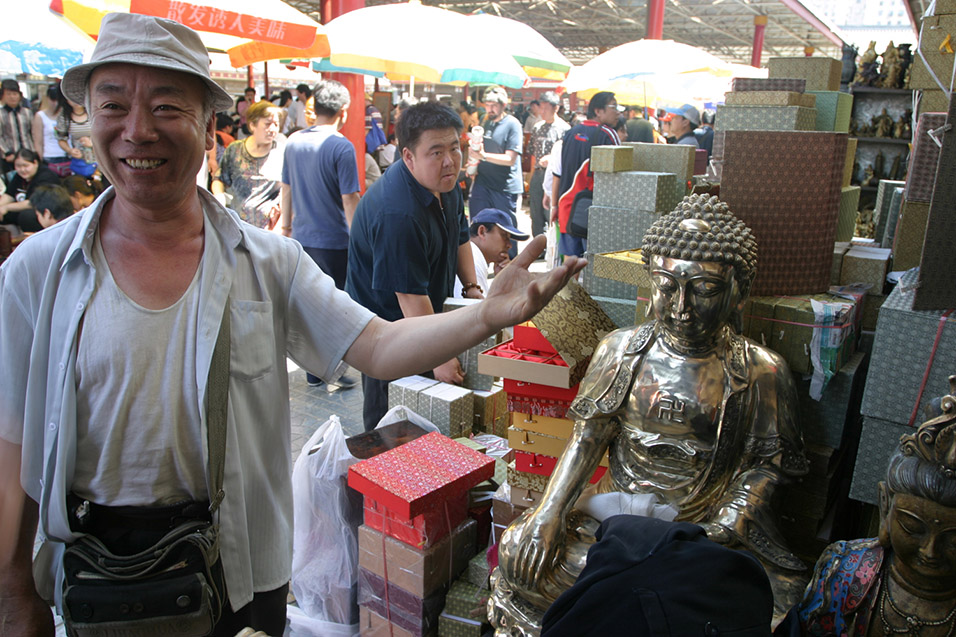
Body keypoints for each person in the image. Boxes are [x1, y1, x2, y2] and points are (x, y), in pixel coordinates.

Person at [0, 14, 585, 637]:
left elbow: (380, 345)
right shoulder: (37, 272)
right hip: (98, 578)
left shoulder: (268, 264)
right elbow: (12, 450)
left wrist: (487, 315)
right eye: (112, 105)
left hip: (241, 574)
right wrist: (13, 594)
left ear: (206, 125)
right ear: (88, 119)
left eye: (167, 105)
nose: (137, 130)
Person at [494, 195, 808, 631]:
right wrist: (548, 513)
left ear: (738, 292)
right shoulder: (622, 350)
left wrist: (726, 522)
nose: (681, 307)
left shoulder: (761, 371)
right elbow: (587, 439)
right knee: (519, 554)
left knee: (769, 596)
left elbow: (766, 467)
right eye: (666, 286)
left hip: (703, 529)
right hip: (616, 520)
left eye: (704, 290)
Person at [776, 379, 956, 637]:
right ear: (885, 506)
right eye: (912, 527)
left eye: (954, 539)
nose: (930, 551)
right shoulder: (844, 572)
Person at [347, 101, 485, 432]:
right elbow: (409, 298)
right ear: (408, 156)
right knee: (393, 423)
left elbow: (460, 236)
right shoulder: (398, 214)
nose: (450, 160)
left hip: (425, 315)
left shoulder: (445, 183)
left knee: (431, 422)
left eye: (455, 147)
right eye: (436, 152)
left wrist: (472, 290)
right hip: (387, 333)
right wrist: (438, 356)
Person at [280, 79, 361, 389]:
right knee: (336, 307)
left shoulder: (294, 142)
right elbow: (350, 199)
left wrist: (287, 230)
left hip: (303, 238)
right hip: (335, 242)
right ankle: (330, 370)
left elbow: (285, 190)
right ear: (344, 110)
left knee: (311, 306)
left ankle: (315, 371)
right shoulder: (341, 146)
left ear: (314, 107)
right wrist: (360, 239)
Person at [551, 91, 620, 259]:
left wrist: (554, 206)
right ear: (598, 111)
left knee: (569, 264)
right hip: (593, 212)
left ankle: (567, 287)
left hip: (567, 208)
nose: (618, 112)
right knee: (593, 265)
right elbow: (619, 177)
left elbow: (557, 172)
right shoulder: (608, 134)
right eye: (614, 107)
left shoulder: (570, 132)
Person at [212, 100, 285, 230]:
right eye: (268, 124)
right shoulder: (235, 150)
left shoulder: (282, 152)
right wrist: (219, 198)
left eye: (276, 124)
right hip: (238, 226)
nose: (272, 129)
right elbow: (219, 179)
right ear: (252, 125)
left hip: (270, 229)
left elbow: (289, 190)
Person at [471, 86, 523, 259]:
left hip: (504, 187)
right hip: (483, 183)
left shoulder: (512, 124)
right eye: (487, 104)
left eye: (494, 105)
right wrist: (474, 163)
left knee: (506, 231)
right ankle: (478, 265)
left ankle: (509, 269)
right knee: (479, 226)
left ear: (503, 105)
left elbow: (510, 159)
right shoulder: (485, 122)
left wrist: (484, 156)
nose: (490, 108)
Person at [454, 207, 529, 298]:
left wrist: (500, 282)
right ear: (482, 232)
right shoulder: (474, 261)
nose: (509, 245)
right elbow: (474, 310)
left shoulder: (474, 257)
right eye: (504, 236)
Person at [528, 91, 569, 239]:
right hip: (538, 174)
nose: (542, 112)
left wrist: (551, 159)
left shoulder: (565, 129)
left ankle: (552, 244)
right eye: (541, 108)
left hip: (553, 176)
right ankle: (538, 246)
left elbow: (565, 155)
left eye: (546, 108)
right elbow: (532, 153)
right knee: (535, 212)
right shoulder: (537, 127)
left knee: (550, 211)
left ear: (556, 108)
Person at [0, 148, 61, 220]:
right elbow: (9, 195)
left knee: (26, 216)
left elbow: (33, 203)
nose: (22, 170)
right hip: (25, 208)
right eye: (18, 166)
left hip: (47, 212)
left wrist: (6, 207)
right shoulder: (19, 176)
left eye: (26, 166)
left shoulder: (46, 176)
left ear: (35, 163)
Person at [55, 92, 98, 179]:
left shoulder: (94, 112)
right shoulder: (64, 116)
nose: (75, 102)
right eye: (71, 98)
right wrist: (70, 150)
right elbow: (61, 139)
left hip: (99, 157)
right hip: (80, 160)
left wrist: (92, 144)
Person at [32, 85, 69, 176]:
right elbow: (38, 141)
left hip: (69, 156)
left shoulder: (68, 114)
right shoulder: (40, 116)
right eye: (53, 100)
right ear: (47, 98)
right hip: (49, 157)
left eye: (58, 100)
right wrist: (39, 160)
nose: (55, 104)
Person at [1, 79, 34, 173]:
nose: (12, 97)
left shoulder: (27, 112)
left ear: (20, 95)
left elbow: (33, 133)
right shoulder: (1, 114)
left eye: (15, 94)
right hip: (10, 156)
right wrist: (7, 153)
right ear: (3, 96)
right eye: (8, 94)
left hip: (28, 153)